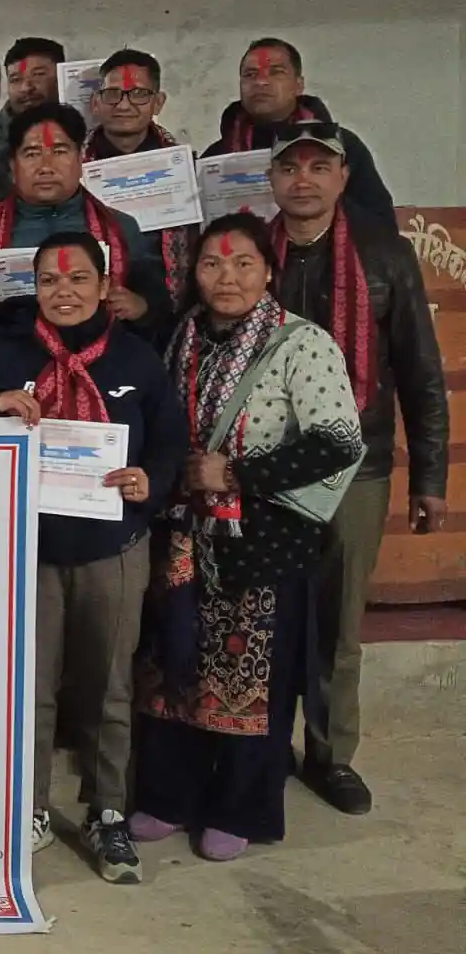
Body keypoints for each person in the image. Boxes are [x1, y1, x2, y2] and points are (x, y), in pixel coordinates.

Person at [0, 233, 186, 881]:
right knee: (31, 688)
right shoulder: (4, 355)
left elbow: (169, 439)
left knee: (109, 687)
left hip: (113, 547)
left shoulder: (137, 358)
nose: (64, 292)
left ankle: (107, 811)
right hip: (29, 552)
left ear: (104, 286)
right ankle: (28, 807)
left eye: (79, 279)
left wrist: (151, 480)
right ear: (34, 288)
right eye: (50, 281)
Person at [135, 213, 365, 860]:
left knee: (254, 679)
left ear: (268, 271)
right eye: (212, 263)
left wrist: (236, 472)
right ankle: (167, 796)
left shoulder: (302, 344)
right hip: (185, 534)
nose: (227, 277)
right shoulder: (182, 337)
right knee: (173, 665)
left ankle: (239, 807)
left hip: (264, 538)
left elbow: (339, 441)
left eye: (243, 264)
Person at [264, 123, 449, 815]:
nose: (303, 180)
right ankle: (260, 746)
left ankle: (330, 754)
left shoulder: (385, 253)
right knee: (265, 613)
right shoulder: (250, 253)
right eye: (290, 167)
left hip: (358, 465)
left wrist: (430, 478)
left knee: (339, 622)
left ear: (344, 177)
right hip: (267, 467)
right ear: (271, 179)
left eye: (319, 167)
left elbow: (421, 372)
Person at [0, 103, 166, 346]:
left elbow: (160, 304)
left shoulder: (122, 229)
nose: (46, 167)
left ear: (80, 160)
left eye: (59, 151)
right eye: (32, 154)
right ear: (12, 166)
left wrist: (142, 308)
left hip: (105, 363)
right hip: (8, 363)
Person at [201, 38, 394, 225]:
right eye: (250, 74)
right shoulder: (216, 157)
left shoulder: (342, 146)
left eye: (276, 72)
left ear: (298, 85)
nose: (261, 81)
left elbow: (380, 223)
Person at [85, 50, 193, 314]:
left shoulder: (187, 169)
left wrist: (148, 307)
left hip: (168, 314)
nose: (124, 105)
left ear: (158, 102)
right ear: (95, 103)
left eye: (139, 94)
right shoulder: (72, 166)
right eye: (112, 94)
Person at [0, 37, 66, 196]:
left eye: (38, 75)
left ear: (62, 75)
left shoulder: (90, 122)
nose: (26, 88)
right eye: (15, 79)